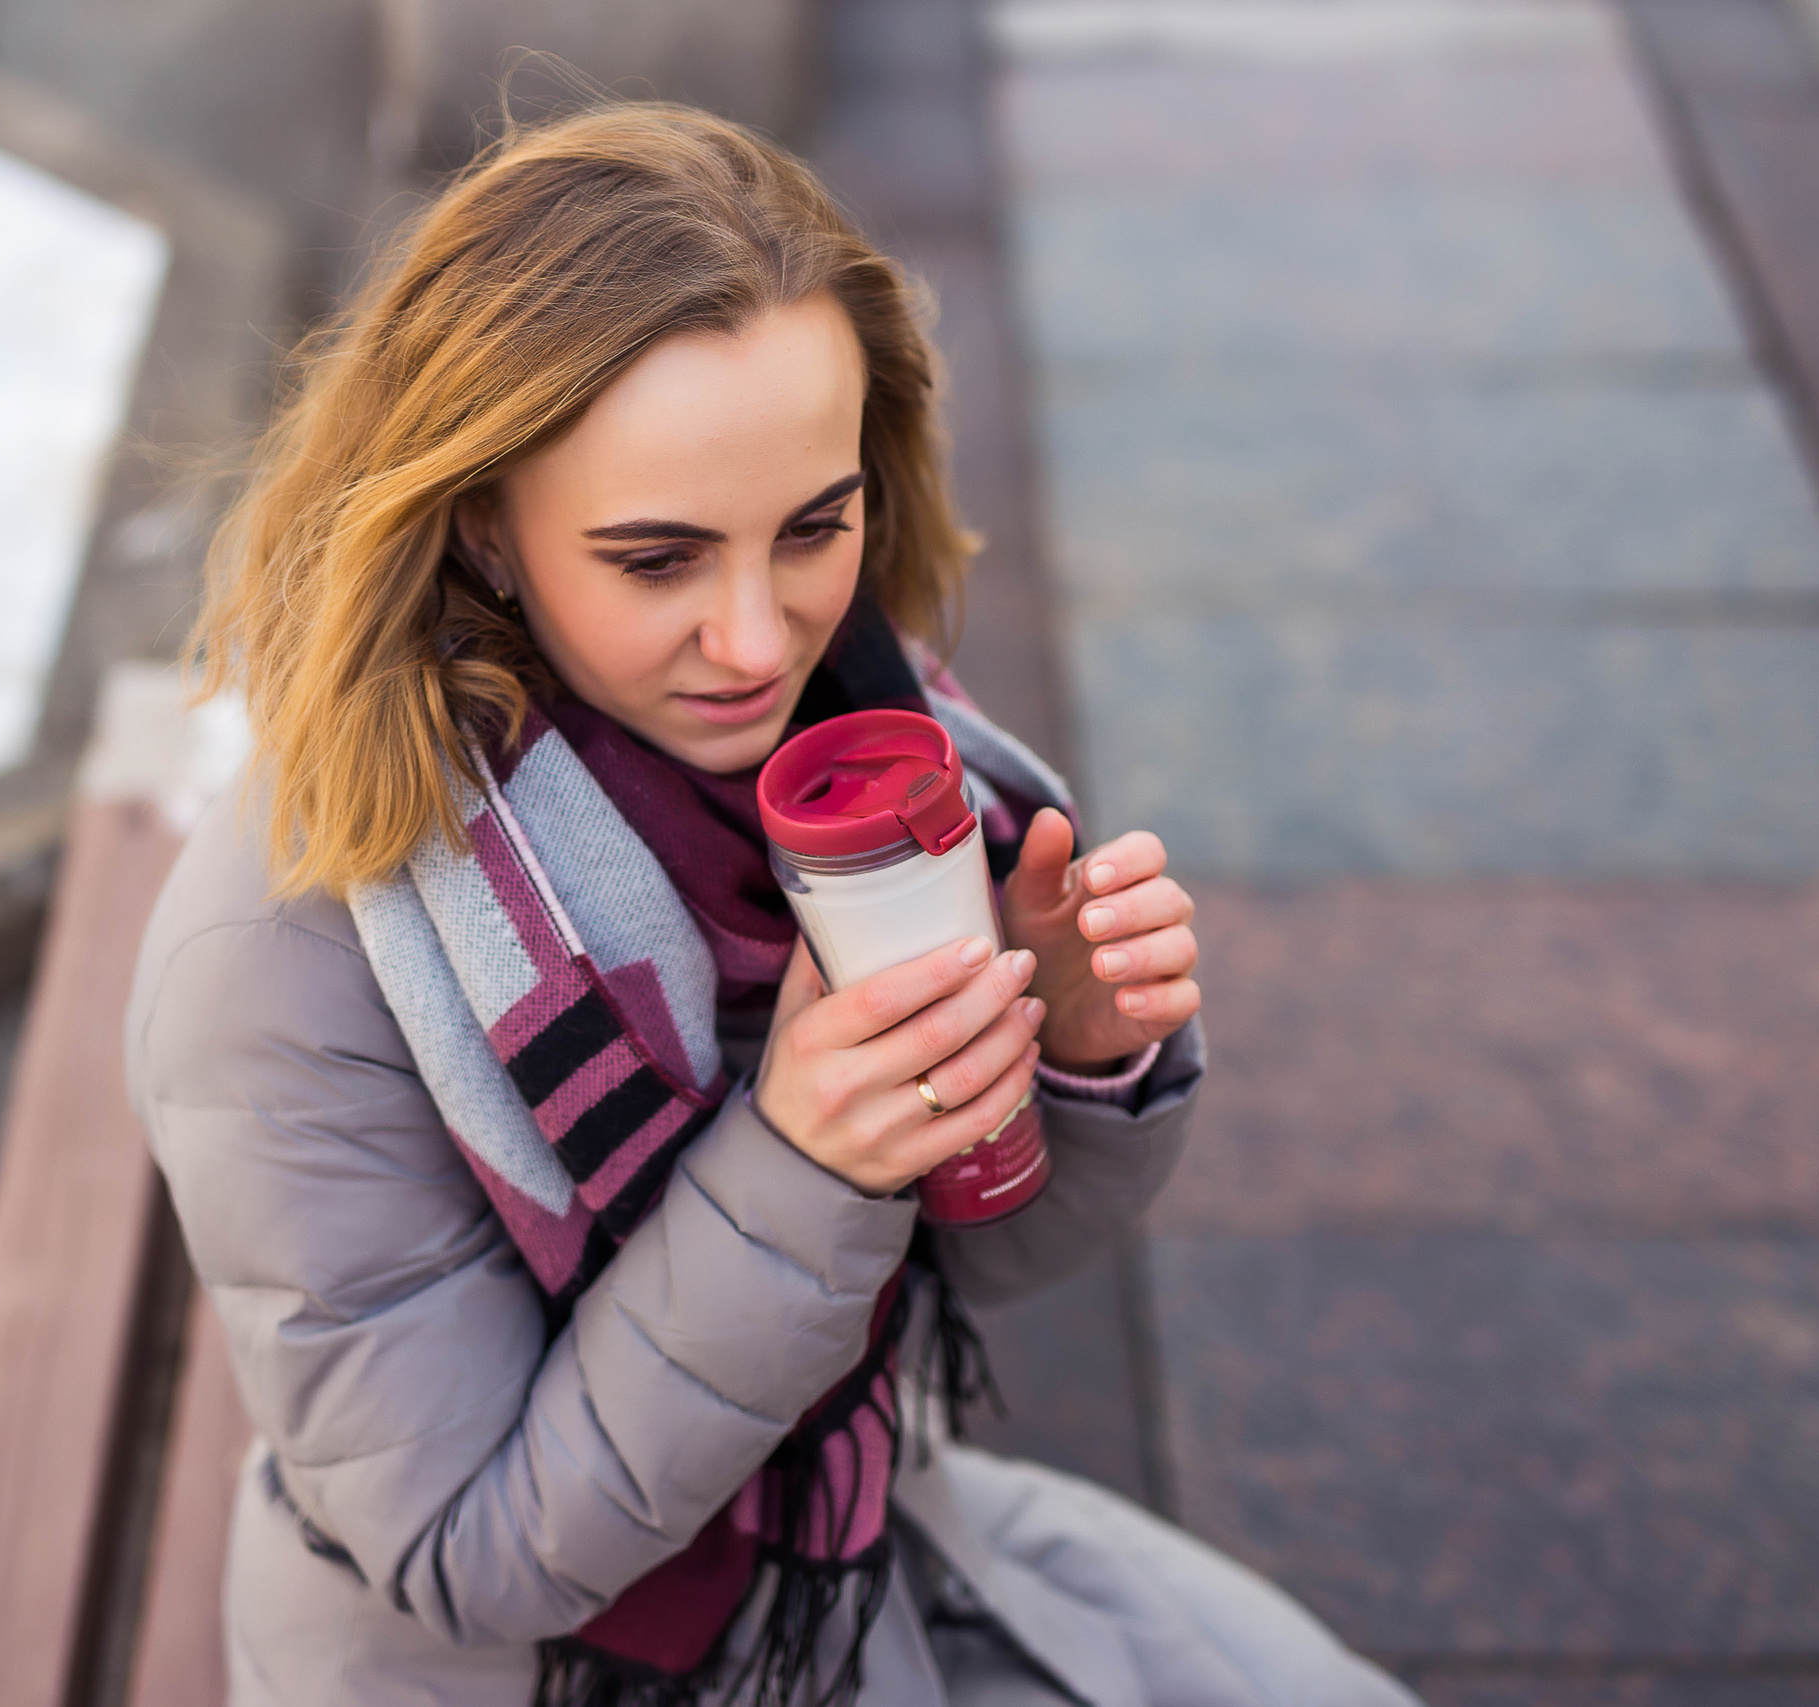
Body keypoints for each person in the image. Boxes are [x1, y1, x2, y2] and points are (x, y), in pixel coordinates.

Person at [125, 103, 1417, 1707]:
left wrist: (1068, 1058)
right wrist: (805, 1162)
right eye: (656, 560)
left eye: (813, 527)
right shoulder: (288, 958)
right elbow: (468, 1551)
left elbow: (991, 1262)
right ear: (480, 528)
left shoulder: (857, 744)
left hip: (846, 1550)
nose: (757, 640)